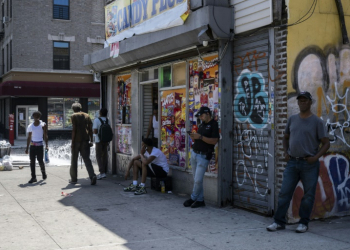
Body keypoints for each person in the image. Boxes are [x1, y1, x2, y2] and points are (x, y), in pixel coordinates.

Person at [266, 91, 330, 233]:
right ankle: (279, 222)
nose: (302, 103)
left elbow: (326, 143)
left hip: (309, 164)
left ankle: (303, 222)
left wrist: (316, 157)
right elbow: (285, 137)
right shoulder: (292, 119)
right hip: (292, 163)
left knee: (308, 195)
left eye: (305, 100)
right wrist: (286, 151)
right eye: (300, 101)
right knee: (284, 193)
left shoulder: (317, 122)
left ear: (310, 103)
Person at [183, 106, 220, 208]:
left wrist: (200, 137)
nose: (201, 117)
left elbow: (214, 140)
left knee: (198, 180)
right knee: (196, 180)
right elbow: (200, 138)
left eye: (202, 115)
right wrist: (195, 136)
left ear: (208, 114)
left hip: (203, 156)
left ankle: (193, 198)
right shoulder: (202, 124)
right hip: (195, 153)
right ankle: (200, 200)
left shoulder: (214, 124)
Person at [70, 103, 97, 185]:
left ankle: (74, 179)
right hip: (85, 140)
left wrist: (72, 142)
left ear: (73, 109)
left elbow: (74, 129)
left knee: (74, 160)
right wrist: (91, 140)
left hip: (77, 141)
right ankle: (92, 176)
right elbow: (90, 129)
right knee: (87, 159)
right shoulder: (87, 115)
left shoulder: (74, 116)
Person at [25, 111, 48, 183]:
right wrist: (27, 148)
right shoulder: (30, 126)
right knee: (32, 162)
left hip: (40, 146)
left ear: (39, 117)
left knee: (40, 161)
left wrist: (47, 145)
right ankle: (33, 177)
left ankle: (43, 173)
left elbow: (45, 135)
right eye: (35, 115)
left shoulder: (43, 125)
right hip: (32, 146)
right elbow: (29, 137)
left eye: (37, 115)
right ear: (33, 117)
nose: (36, 117)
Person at [93, 108, 109, 180]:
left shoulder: (96, 120)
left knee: (98, 156)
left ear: (100, 113)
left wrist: (93, 133)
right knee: (104, 156)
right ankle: (104, 171)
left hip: (98, 141)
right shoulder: (108, 120)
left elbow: (95, 131)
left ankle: (102, 172)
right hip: (106, 141)